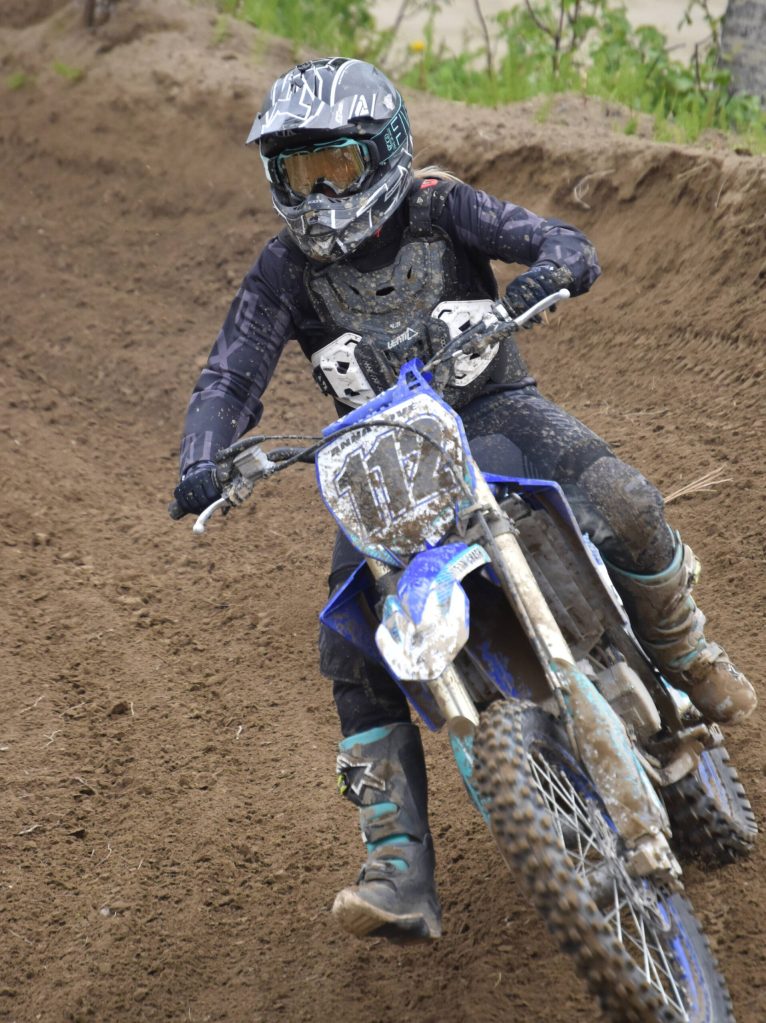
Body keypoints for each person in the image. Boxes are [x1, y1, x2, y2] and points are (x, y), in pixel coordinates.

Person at [172, 57, 756, 944]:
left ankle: (689, 653)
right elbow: (229, 374)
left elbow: (554, 238)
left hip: (496, 410)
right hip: (379, 462)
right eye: (298, 173)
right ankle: (396, 858)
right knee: (349, 645)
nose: (319, 193)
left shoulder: (440, 205)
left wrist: (550, 268)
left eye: (334, 165)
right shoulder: (282, 269)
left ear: (383, 152)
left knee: (628, 501)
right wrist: (203, 456)